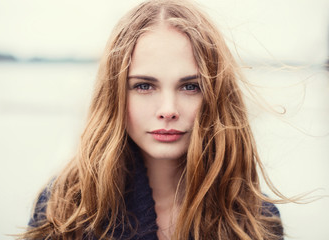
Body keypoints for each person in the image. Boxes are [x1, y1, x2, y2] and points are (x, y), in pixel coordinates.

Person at [21, 0, 284, 239]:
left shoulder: (255, 218)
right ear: (114, 94)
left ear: (216, 95)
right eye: (144, 86)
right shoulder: (65, 208)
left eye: (190, 86)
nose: (168, 110)